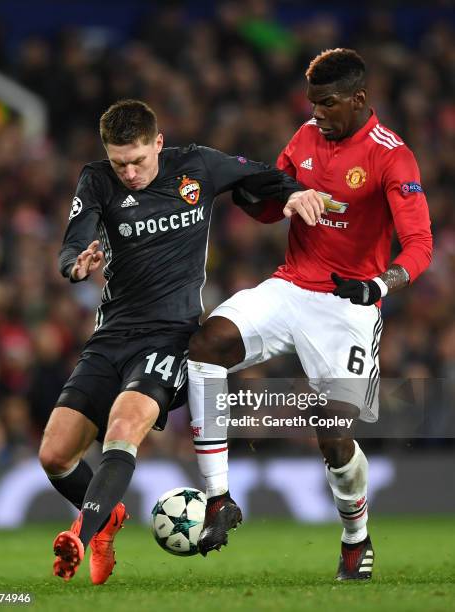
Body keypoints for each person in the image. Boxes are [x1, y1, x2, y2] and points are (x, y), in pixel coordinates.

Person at [38, 99, 317, 584]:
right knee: (55, 456)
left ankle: (80, 536)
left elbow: (259, 177)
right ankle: (110, 517)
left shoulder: (198, 165)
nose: (128, 172)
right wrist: (74, 265)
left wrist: (293, 193)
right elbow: (72, 240)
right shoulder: (96, 179)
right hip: (112, 334)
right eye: (119, 162)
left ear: (158, 144)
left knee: (124, 428)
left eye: (138, 160)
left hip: (171, 335)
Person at [187, 49, 432, 580]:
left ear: (359, 99)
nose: (317, 113)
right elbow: (272, 203)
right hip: (292, 285)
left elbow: (419, 245)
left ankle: (355, 536)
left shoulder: (394, 156)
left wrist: (378, 284)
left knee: (333, 435)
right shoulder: (304, 138)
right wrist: (254, 196)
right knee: (206, 345)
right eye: (312, 103)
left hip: (348, 306)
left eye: (327, 104)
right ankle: (218, 498)